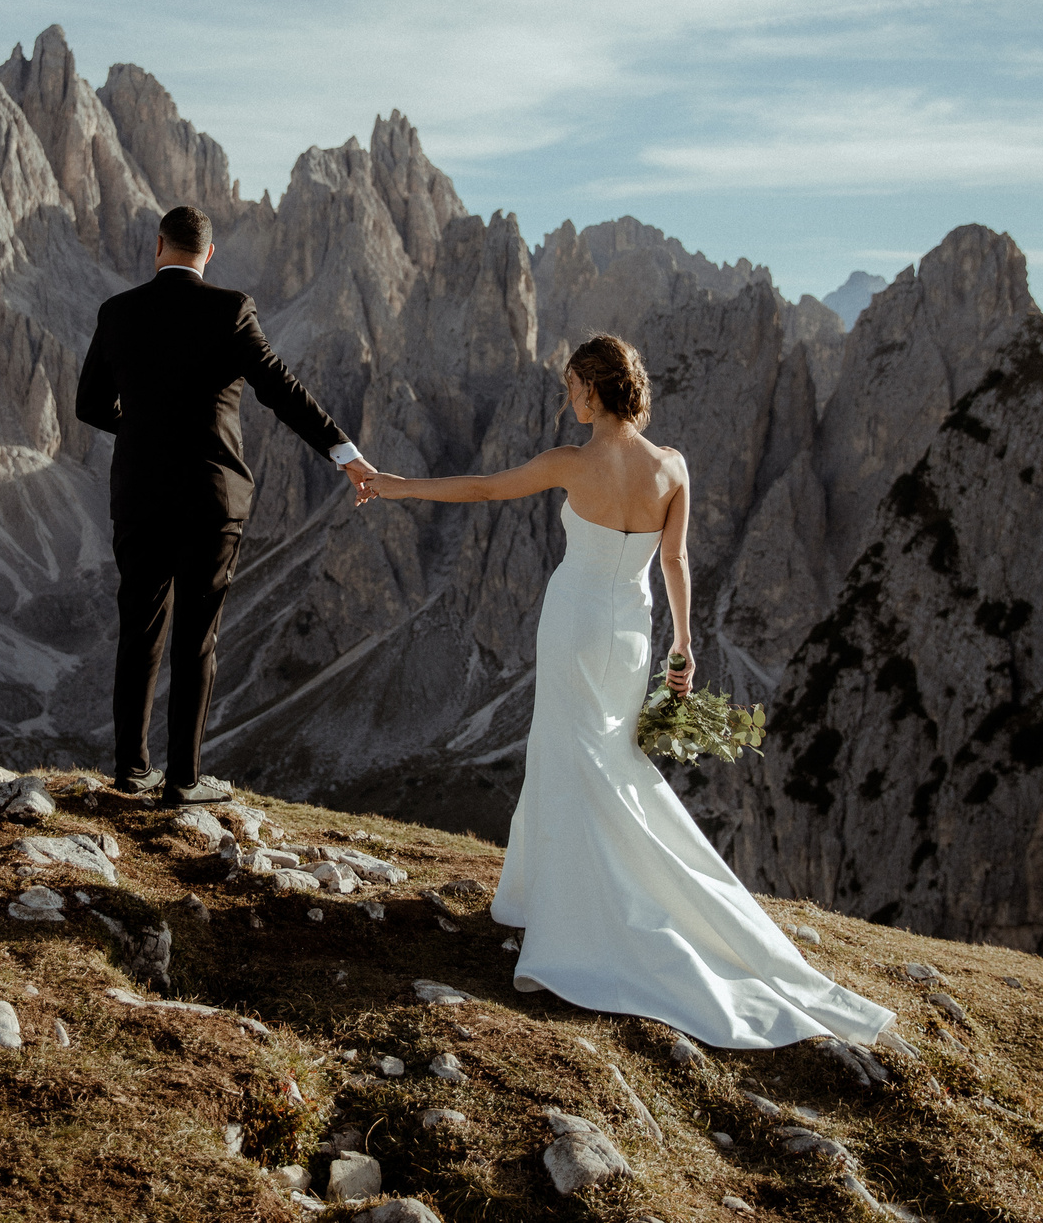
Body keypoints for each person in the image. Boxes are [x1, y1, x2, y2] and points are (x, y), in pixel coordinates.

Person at [355, 333, 898, 1050]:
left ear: (592, 388)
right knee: (610, 758)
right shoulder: (671, 466)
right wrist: (683, 641)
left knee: (567, 753)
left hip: (575, 619)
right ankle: (608, 895)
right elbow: (674, 558)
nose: (565, 398)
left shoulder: (572, 463)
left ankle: (577, 916)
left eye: (571, 386)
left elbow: (483, 489)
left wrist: (394, 483)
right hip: (633, 632)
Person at [75, 204, 376, 804]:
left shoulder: (118, 312)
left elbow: (88, 406)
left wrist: (141, 430)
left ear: (158, 245)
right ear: (209, 254)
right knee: (197, 638)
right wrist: (344, 454)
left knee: (139, 631)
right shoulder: (229, 309)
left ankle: (130, 773)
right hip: (212, 499)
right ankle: (183, 782)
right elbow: (280, 389)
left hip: (138, 495)